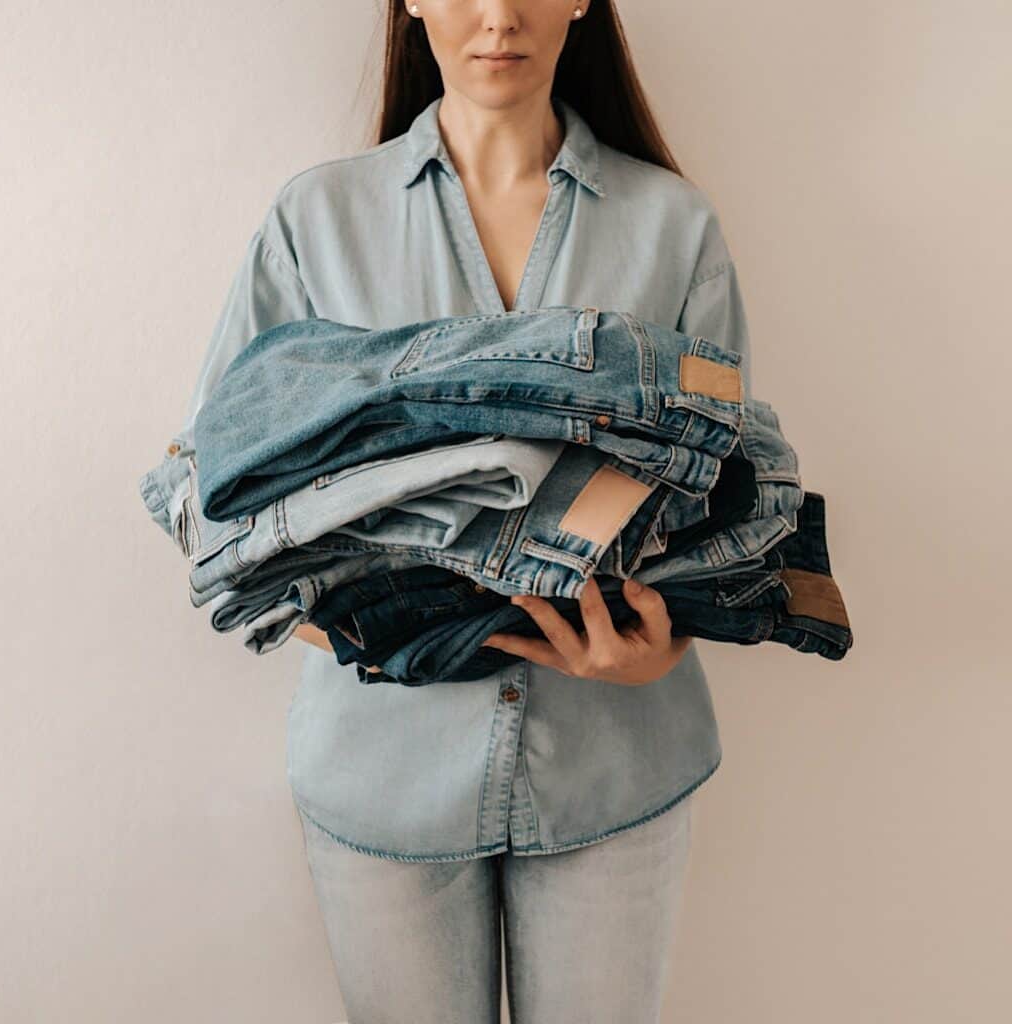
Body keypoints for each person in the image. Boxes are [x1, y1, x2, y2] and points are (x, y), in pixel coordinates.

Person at [168, 2, 754, 1019]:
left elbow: (729, 495)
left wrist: (654, 649)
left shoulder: (674, 224)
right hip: (380, 780)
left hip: (618, 772)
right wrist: (374, 628)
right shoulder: (315, 221)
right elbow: (211, 496)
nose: (497, 15)